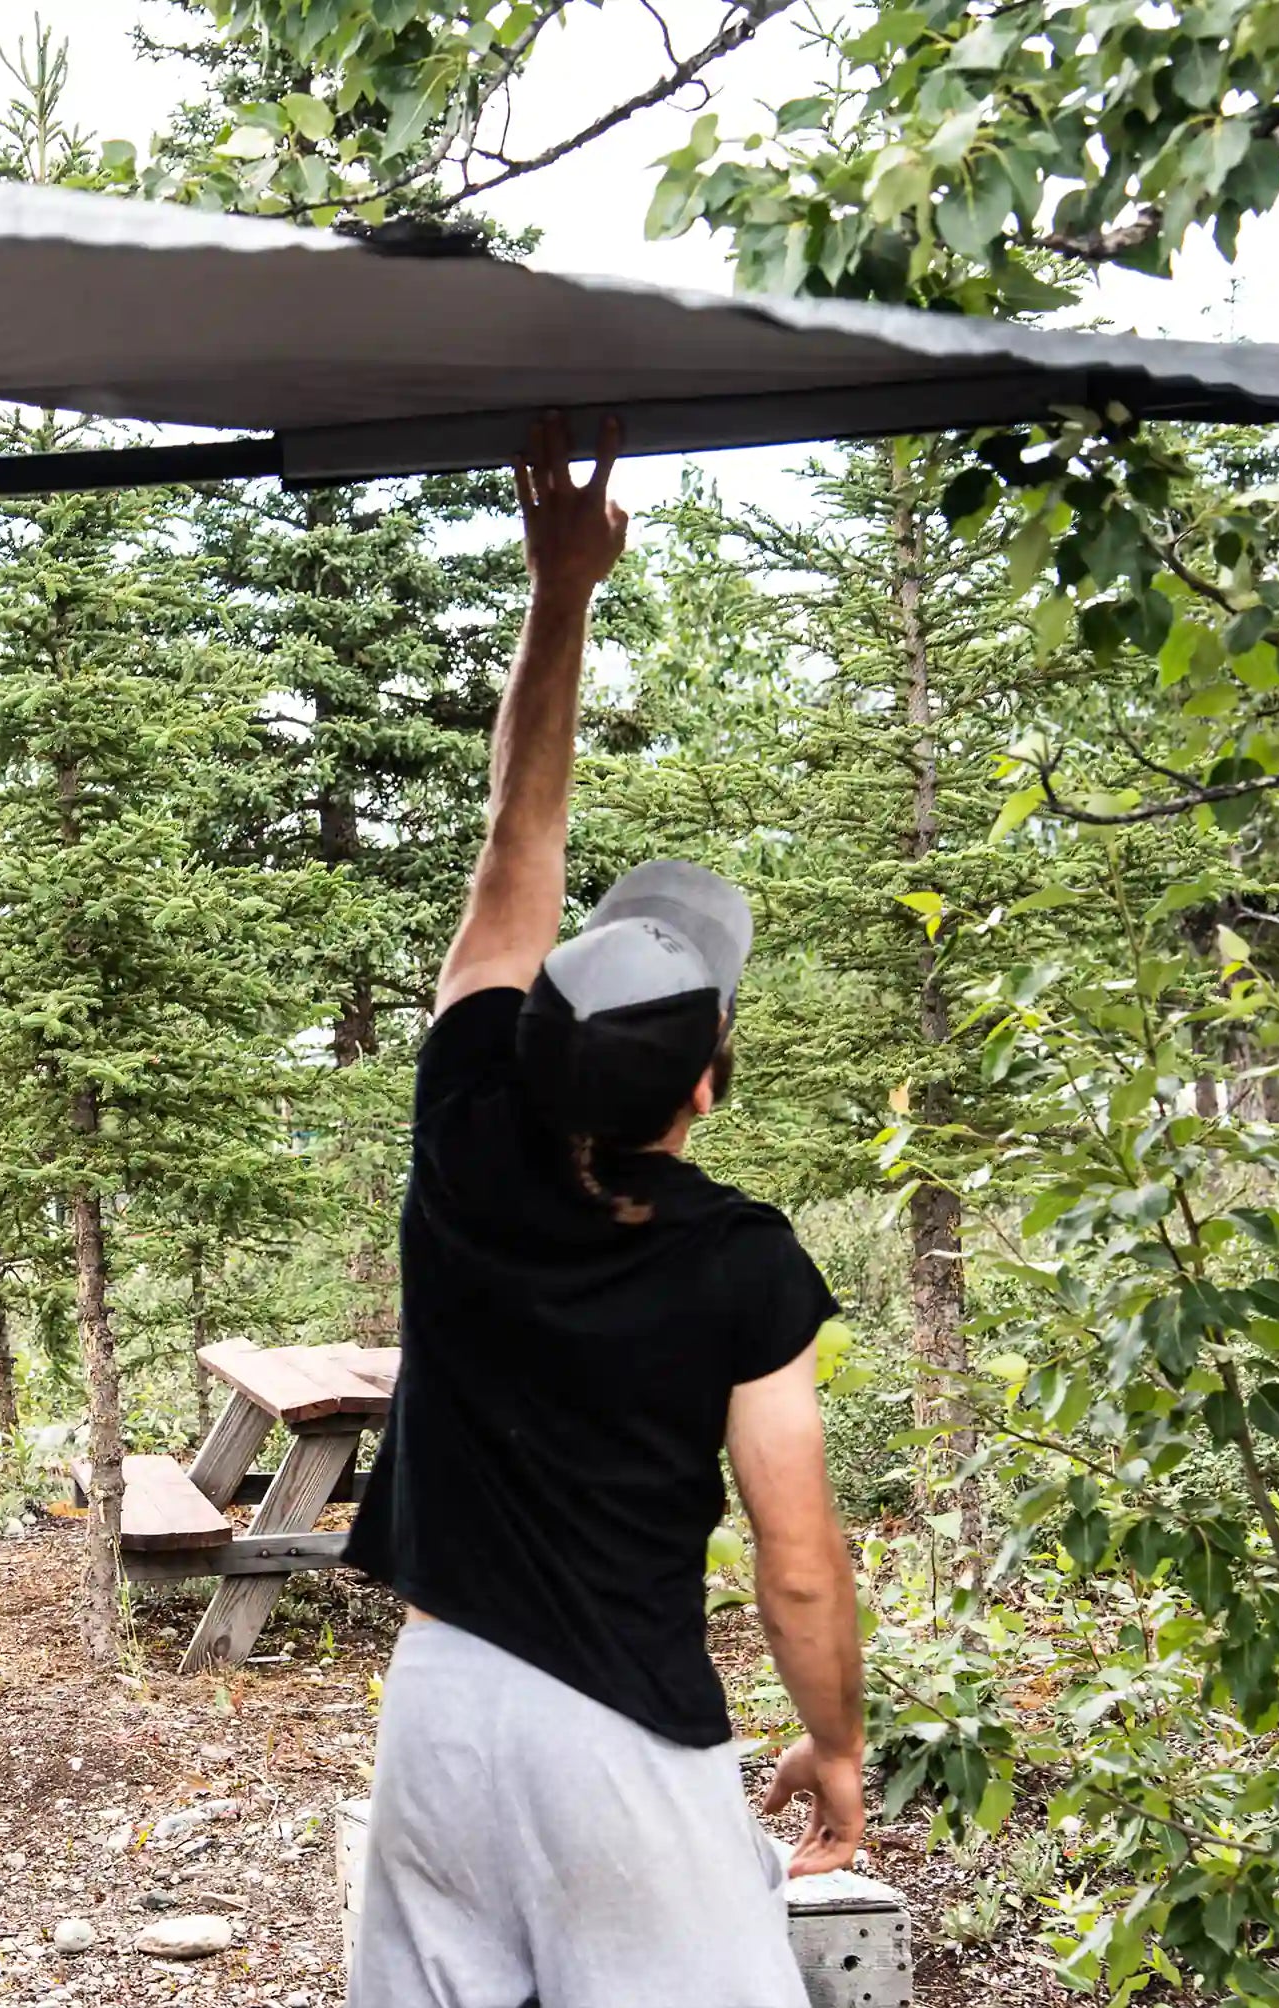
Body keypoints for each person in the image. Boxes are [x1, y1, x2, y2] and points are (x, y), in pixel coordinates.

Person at [340, 413, 867, 2008]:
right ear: (708, 1086)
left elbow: (520, 836)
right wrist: (835, 1744)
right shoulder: (739, 1266)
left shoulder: (467, 1118)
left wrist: (557, 592)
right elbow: (796, 1558)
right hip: (621, 1747)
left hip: (438, 1714)